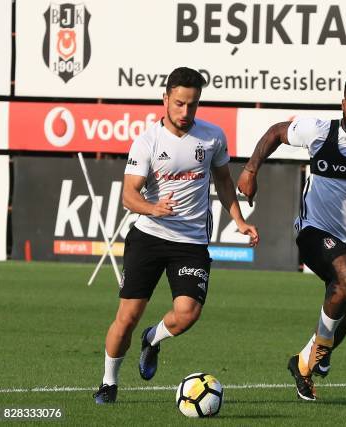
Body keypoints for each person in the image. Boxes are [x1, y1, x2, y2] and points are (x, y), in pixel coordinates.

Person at [237, 73, 346, 401]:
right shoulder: (319, 131)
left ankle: (307, 360)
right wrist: (250, 170)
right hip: (313, 230)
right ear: (342, 102)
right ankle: (318, 351)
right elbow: (276, 132)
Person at [93, 67, 259, 404]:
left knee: (187, 314)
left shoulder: (212, 137)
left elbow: (224, 181)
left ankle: (152, 339)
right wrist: (152, 208)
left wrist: (239, 220)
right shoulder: (147, 142)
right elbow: (129, 195)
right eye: (180, 103)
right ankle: (109, 382)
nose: (186, 112)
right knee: (125, 319)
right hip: (149, 237)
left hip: (192, 242)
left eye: (193, 105)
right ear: (165, 99)